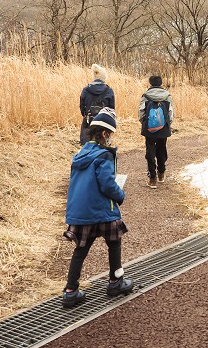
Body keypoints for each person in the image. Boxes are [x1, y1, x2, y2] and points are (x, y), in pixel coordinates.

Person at [62, 107, 134, 308]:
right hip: (102, 211)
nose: (110, 139)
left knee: (81, 249)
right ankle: (115, 281)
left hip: (82, 213)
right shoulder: (104, 155)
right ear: (104, 133)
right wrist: (120, 196)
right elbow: (107, 184)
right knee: (114, 242)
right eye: (110, 135)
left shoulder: (81, 154)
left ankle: (70, 291)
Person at [138, 75, 174, 189]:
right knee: (162, 149)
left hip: (149, 128)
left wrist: (144, 123)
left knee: (150, 152)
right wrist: (168, 124)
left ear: (150, 83)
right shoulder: (167, 96)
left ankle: (152, 179)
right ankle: (161, 174)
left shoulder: (146, 96)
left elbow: (141, 112)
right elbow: (170, 113)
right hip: (163, 128)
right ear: (161, 83)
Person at [78, 64, 115, 145]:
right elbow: (112, 109)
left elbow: (82, 107)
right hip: (104, 124)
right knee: (103, 148)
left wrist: (86, 115)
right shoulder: (109, 90)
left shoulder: (86, 89)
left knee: (87, 147)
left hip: (89, 123)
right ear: (104, 77)